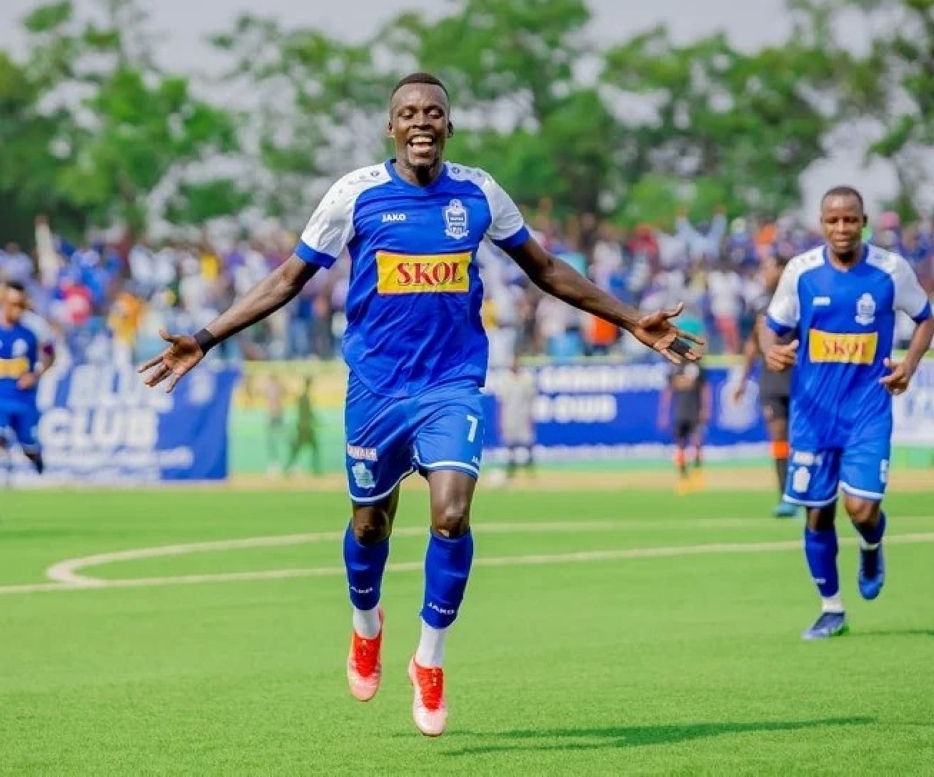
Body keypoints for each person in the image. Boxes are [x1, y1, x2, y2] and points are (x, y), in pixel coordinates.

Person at [138, 72, 703, 737]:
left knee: (451, 513)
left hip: (451, 384)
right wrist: (205, 338)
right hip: (376, 388)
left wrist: (634, 319)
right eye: (408, 112)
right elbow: (288, 279)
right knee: (371, 524)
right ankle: (366, 623)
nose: (421, 121)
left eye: (433, 112)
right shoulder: (355, 195)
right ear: (391, 127)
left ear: (449, 126)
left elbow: (545, 268)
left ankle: (429, 659)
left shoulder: (480, 192)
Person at [762, 186, 934, 640]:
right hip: (812, 415)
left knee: (860, 509)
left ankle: (872, 544)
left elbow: (925, 318)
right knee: (817, 515)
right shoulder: (800, 272)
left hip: (867, 412)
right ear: (822, 224)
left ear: (864, 221)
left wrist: (909, 366)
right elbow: (770, 324)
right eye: (833, 221)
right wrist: (771, 351)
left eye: (850, 220)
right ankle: (831, 608)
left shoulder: (890, 270)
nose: (842, 228)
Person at [734, 256, 798, 518]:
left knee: (804, 439)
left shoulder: (800, 299)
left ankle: (809, 490)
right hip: (771, 380)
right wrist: (741, 381)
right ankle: (786, 496)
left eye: (769, 266)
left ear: (783, 270)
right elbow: (752, 344)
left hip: (800, 378)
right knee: (779, 437)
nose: (764, 271)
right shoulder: (759, 303)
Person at [0, 282, 49, 476]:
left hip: (24, 399)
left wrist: (36, 373)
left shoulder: (33, 328)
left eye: (20, 304)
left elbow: (49, 352)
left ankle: (38, 464)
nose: (15, 309)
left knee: (29, 445)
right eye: (11, 303)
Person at [658, 360, 710, 494]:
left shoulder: (697, 368)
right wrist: (664, 412)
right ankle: (683, 478)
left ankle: (697, 473)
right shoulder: (673, 368)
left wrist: (706, 408)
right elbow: (668, 391)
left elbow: (705, 389)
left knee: (697, 442)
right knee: (680, 445)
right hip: (679, 412)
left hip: (694, 411)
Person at [491, 355, 537, 485]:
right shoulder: (505, 379)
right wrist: (499, 420)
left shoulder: (526, 378)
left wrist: (531, 418)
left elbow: (531, 400)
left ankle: (530, 471)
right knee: (510, 445)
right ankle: (511, 471)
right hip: (509, 416)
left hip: (523, 416)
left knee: (528, 443)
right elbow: (500, 402)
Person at [284, 375, 321, 476]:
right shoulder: (305, 398)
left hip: (302, 427)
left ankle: (287, 469)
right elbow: (308, 413)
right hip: (305, 428)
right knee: (311, 448)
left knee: (298, 449)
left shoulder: (302, 397)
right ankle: (316, 470)